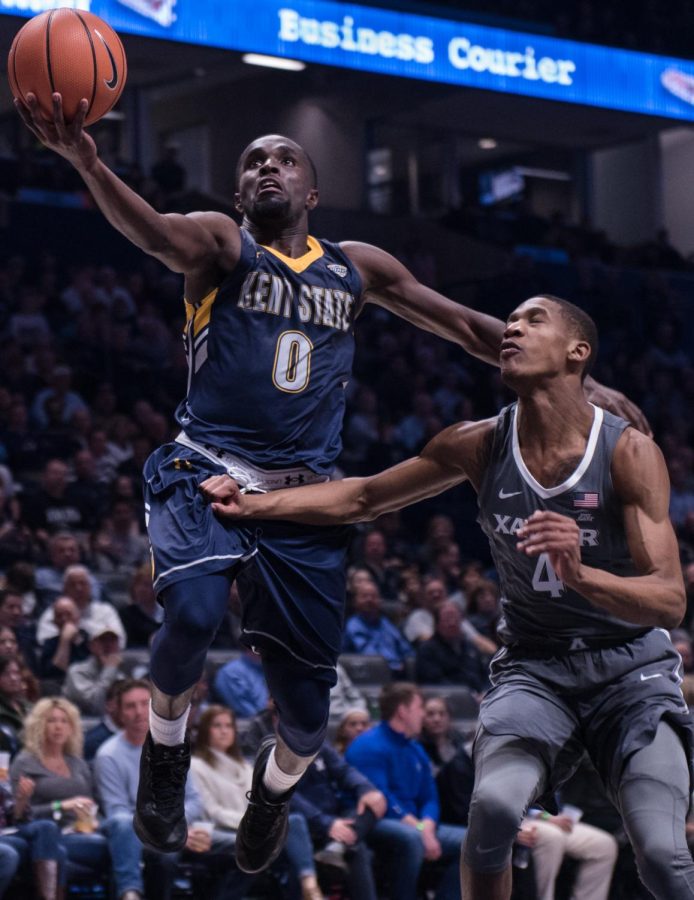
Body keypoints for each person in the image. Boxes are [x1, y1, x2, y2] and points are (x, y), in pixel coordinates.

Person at [16, 93, 647, 874]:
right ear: (241, 193)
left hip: (305, 496)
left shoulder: (358, 266)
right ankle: (166, 757)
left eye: (284, 159)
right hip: (206, 465)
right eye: (253, 162)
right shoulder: (221, 244)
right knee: (194, 614)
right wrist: (88, 159)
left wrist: (584, 390)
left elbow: (466, 327)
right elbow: (154, 232)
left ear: (312, 192)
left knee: (309, 718)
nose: (267, 167)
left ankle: (272, 795)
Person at [215, 294, 693, 900]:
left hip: (631, 672)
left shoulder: (628, 451)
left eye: (532, 320)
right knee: (492, 810)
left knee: (662, 855)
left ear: (579, 353)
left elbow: (669, 601)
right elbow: (362, 498)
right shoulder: (478, 443)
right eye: (510, 320)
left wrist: (581, 576)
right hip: (535, 669)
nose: (513, 328)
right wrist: (250, 501)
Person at [345, 683, 467, 900]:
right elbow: (382, 800)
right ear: (403, 711)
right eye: (420, 708)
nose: (423, 714)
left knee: (473, 841)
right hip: (374, 823)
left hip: (417, 825)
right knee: (411, 839)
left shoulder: (415, 748)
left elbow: (430, 796)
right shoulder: (367, 745)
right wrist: (420, 828)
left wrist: (427, 825)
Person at [9, 697, 109, 888]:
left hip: (79, 833)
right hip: (42, 835)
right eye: (51, 720)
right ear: (39, 725)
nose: (58, 727)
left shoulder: (77, 763)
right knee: (53, 840)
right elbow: (17, 815)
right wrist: (60, 806)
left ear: (72, 728)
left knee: (118, 839)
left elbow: (95, 803)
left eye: (64, 721)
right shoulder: (25, 762)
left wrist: (96, 821)